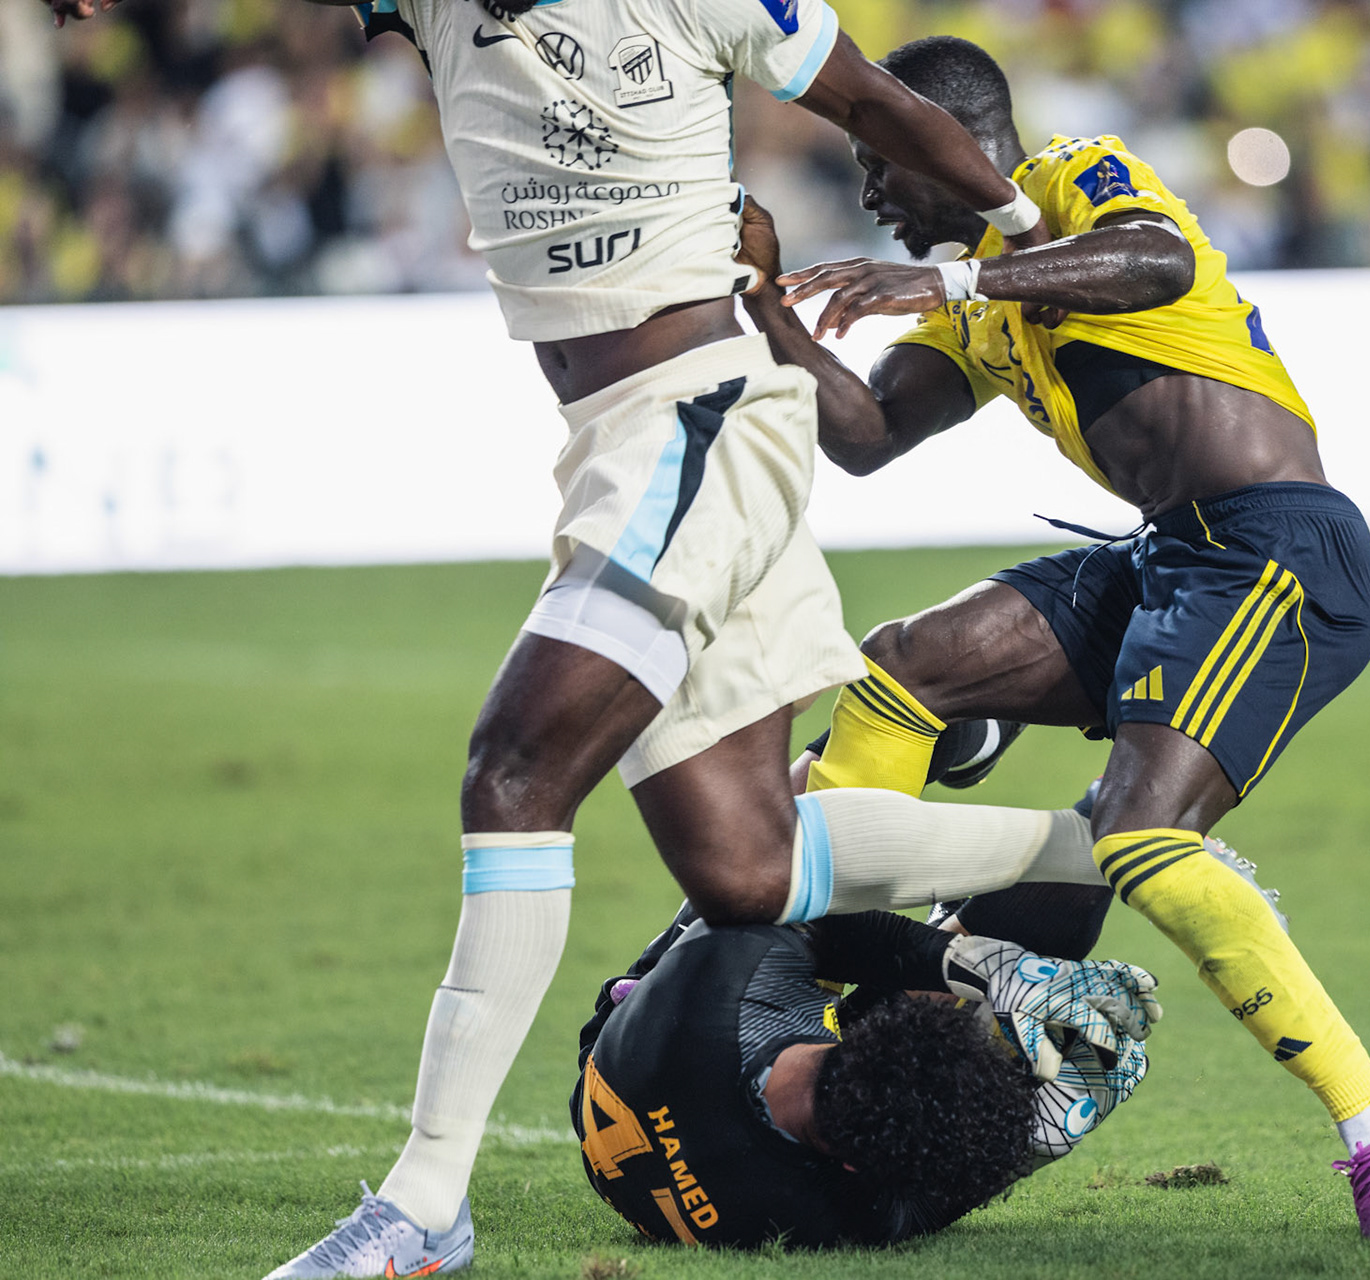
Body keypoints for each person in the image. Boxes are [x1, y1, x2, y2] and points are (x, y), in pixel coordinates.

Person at [44, 1, 1136, 1275]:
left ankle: (422, 1206)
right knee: (743, 865)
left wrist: (1017, 234)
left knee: (516, 772)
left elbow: (883, 108)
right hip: (629, 435)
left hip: (707, 419)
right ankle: (1112, 846)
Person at [736, 35, 1370, 1245]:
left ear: (941, 135)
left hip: (1273, 551)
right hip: (1170, 554)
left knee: (1138, 829)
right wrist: (767, 306)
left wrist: (962, 286)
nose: (868, 192)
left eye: (879, 159)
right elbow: (863, 434)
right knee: (904, 666)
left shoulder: (1080, 177)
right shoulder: (980, 296)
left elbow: (1157, 259)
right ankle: (831, 985)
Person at [571, 903, 1155, 1248]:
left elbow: (802, 897)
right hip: (682, 1089)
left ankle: (948, 731)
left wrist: (987, 970)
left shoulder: (726, 977)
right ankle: (1091, 811)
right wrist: (1039, 1135)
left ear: (869, 1029)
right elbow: (929, 1198)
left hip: (637, 1041)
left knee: (762, 865)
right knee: (1052, 909)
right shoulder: (839, 1212)